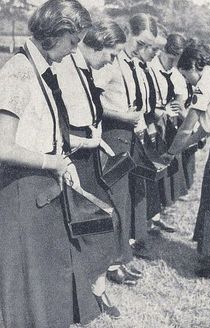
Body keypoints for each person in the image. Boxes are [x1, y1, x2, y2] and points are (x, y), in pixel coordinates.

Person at [0, 1, 105, 327]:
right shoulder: (18, 70)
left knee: (49, 289)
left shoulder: (40, 68)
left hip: (43, 192)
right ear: (58, 32)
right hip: (23, 194)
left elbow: (47, 132)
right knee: (29, 296)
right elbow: (2, 146)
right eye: (73, 43)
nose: (75, 52)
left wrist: (61, 160)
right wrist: (53, 162)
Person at [56, 19, 129, 313]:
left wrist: (96, 137)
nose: (113, 61)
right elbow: (59, 125)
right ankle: (83, 295)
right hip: (74, 157)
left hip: (90, 153)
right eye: (112, 54)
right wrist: (88, 141)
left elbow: (89, 112)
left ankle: (96, 288)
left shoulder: (86, 68)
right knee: (86, 228)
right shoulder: (64, 68)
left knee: (104, 224)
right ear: (98, 44)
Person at [161, 39, 210, 278]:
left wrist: (171, 152)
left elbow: (187, 127)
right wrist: (184, 147)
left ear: (194, 66)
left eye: (186, 76)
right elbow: (202, 130)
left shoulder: (205, 84)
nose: (188, 82)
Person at [94, 13, 160, 266]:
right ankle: (112, 261)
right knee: (115, 199)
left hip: (131, 136)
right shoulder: (111, 61)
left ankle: (125, 251)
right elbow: (93, 102)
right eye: (140, 43)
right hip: (113, 135)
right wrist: (122, 116)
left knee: (132, 195)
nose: (143, 49)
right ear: (128, 33)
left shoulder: (135, 66)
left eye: (148, 46)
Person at [148, 33, 189, 234]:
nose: (173, 63)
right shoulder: (150, 68)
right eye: (171, 58)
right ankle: (149, 217)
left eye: (177, 60)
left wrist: (179, 109)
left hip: (167, 126)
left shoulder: (175, 74)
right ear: (164, 51)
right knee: (151, 169)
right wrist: (161, 112)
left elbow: (181, 98)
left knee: (165, 170)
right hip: (151, 125)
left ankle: (157, 214)